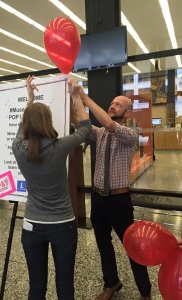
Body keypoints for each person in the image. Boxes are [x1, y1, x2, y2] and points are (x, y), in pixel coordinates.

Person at [12, 75, 91, 300]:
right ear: (48, 122)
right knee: (64, 286)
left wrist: (30, 98)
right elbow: (85, 129)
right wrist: (76, 96)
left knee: (36, 287)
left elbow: (21, 126)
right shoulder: (59, 147)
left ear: (27, 123)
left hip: (31, 227)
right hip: (62, 226)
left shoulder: (18, 147)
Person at [75, 85, 152, 300]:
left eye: (118, 104)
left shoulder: (129, 133)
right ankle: (111, 282)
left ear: (127, 113)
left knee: (131, 245)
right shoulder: (100, 134)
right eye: (112, 102)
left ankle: (145, 291)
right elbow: (81, 123)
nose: (113, 105)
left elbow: (109, 124)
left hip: (119, 200)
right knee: (102, 243)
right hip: (99, 199)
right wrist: (74, 99)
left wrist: (86, 98)